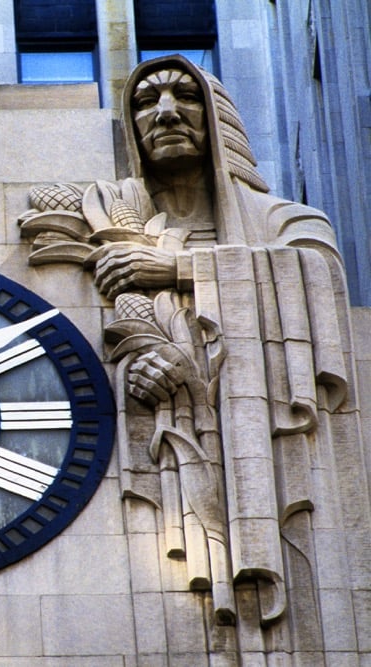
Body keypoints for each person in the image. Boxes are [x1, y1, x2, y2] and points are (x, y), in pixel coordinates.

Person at [60, 55, 364, 649]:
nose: (167, 112)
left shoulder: (284, 221)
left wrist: (178, 267)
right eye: (147, 102)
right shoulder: (119, 224)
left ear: (217, 117)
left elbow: (315, 271)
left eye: (184, 96)